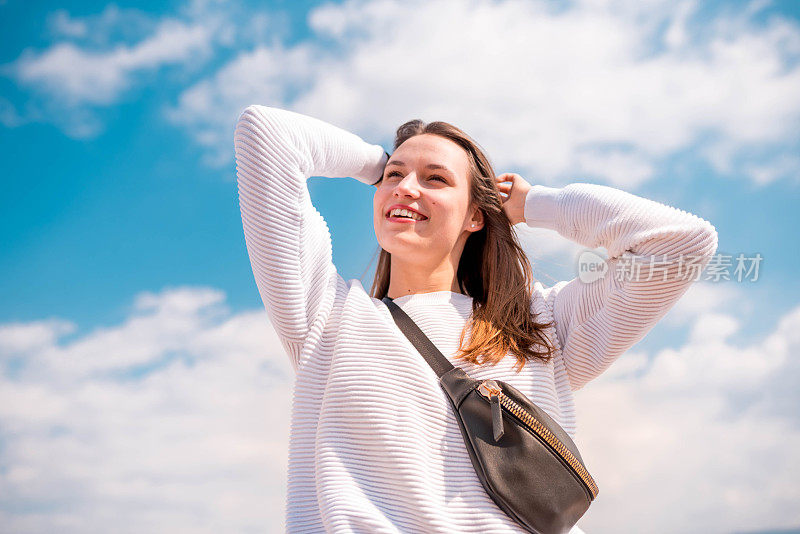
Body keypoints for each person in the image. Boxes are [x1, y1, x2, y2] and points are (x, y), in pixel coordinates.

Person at [233, 104, 718, 533]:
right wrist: (379, 164)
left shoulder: (540, 326)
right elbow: (265, 133)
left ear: (476, 216)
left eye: (436, 179)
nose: (406, 188)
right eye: (394, 177)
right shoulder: (327, 315)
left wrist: (534, 204)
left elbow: (680, 243)